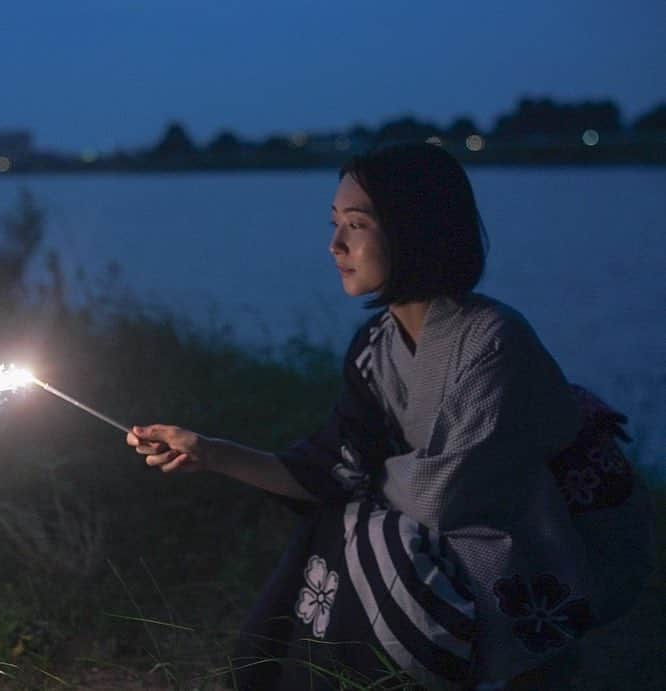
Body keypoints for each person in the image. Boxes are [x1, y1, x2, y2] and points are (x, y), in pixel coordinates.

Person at [126, 143, 652, 689]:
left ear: (412, 230)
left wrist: (361, 480)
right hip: (461, 528)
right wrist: (209, 451)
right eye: (335, 223)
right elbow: (327, 467)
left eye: (357, 225)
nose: (335, 245)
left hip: (545, 544)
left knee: (357, 522)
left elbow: (440, 496)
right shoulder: (375, 350)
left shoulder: (494, 341)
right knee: (342, 517)